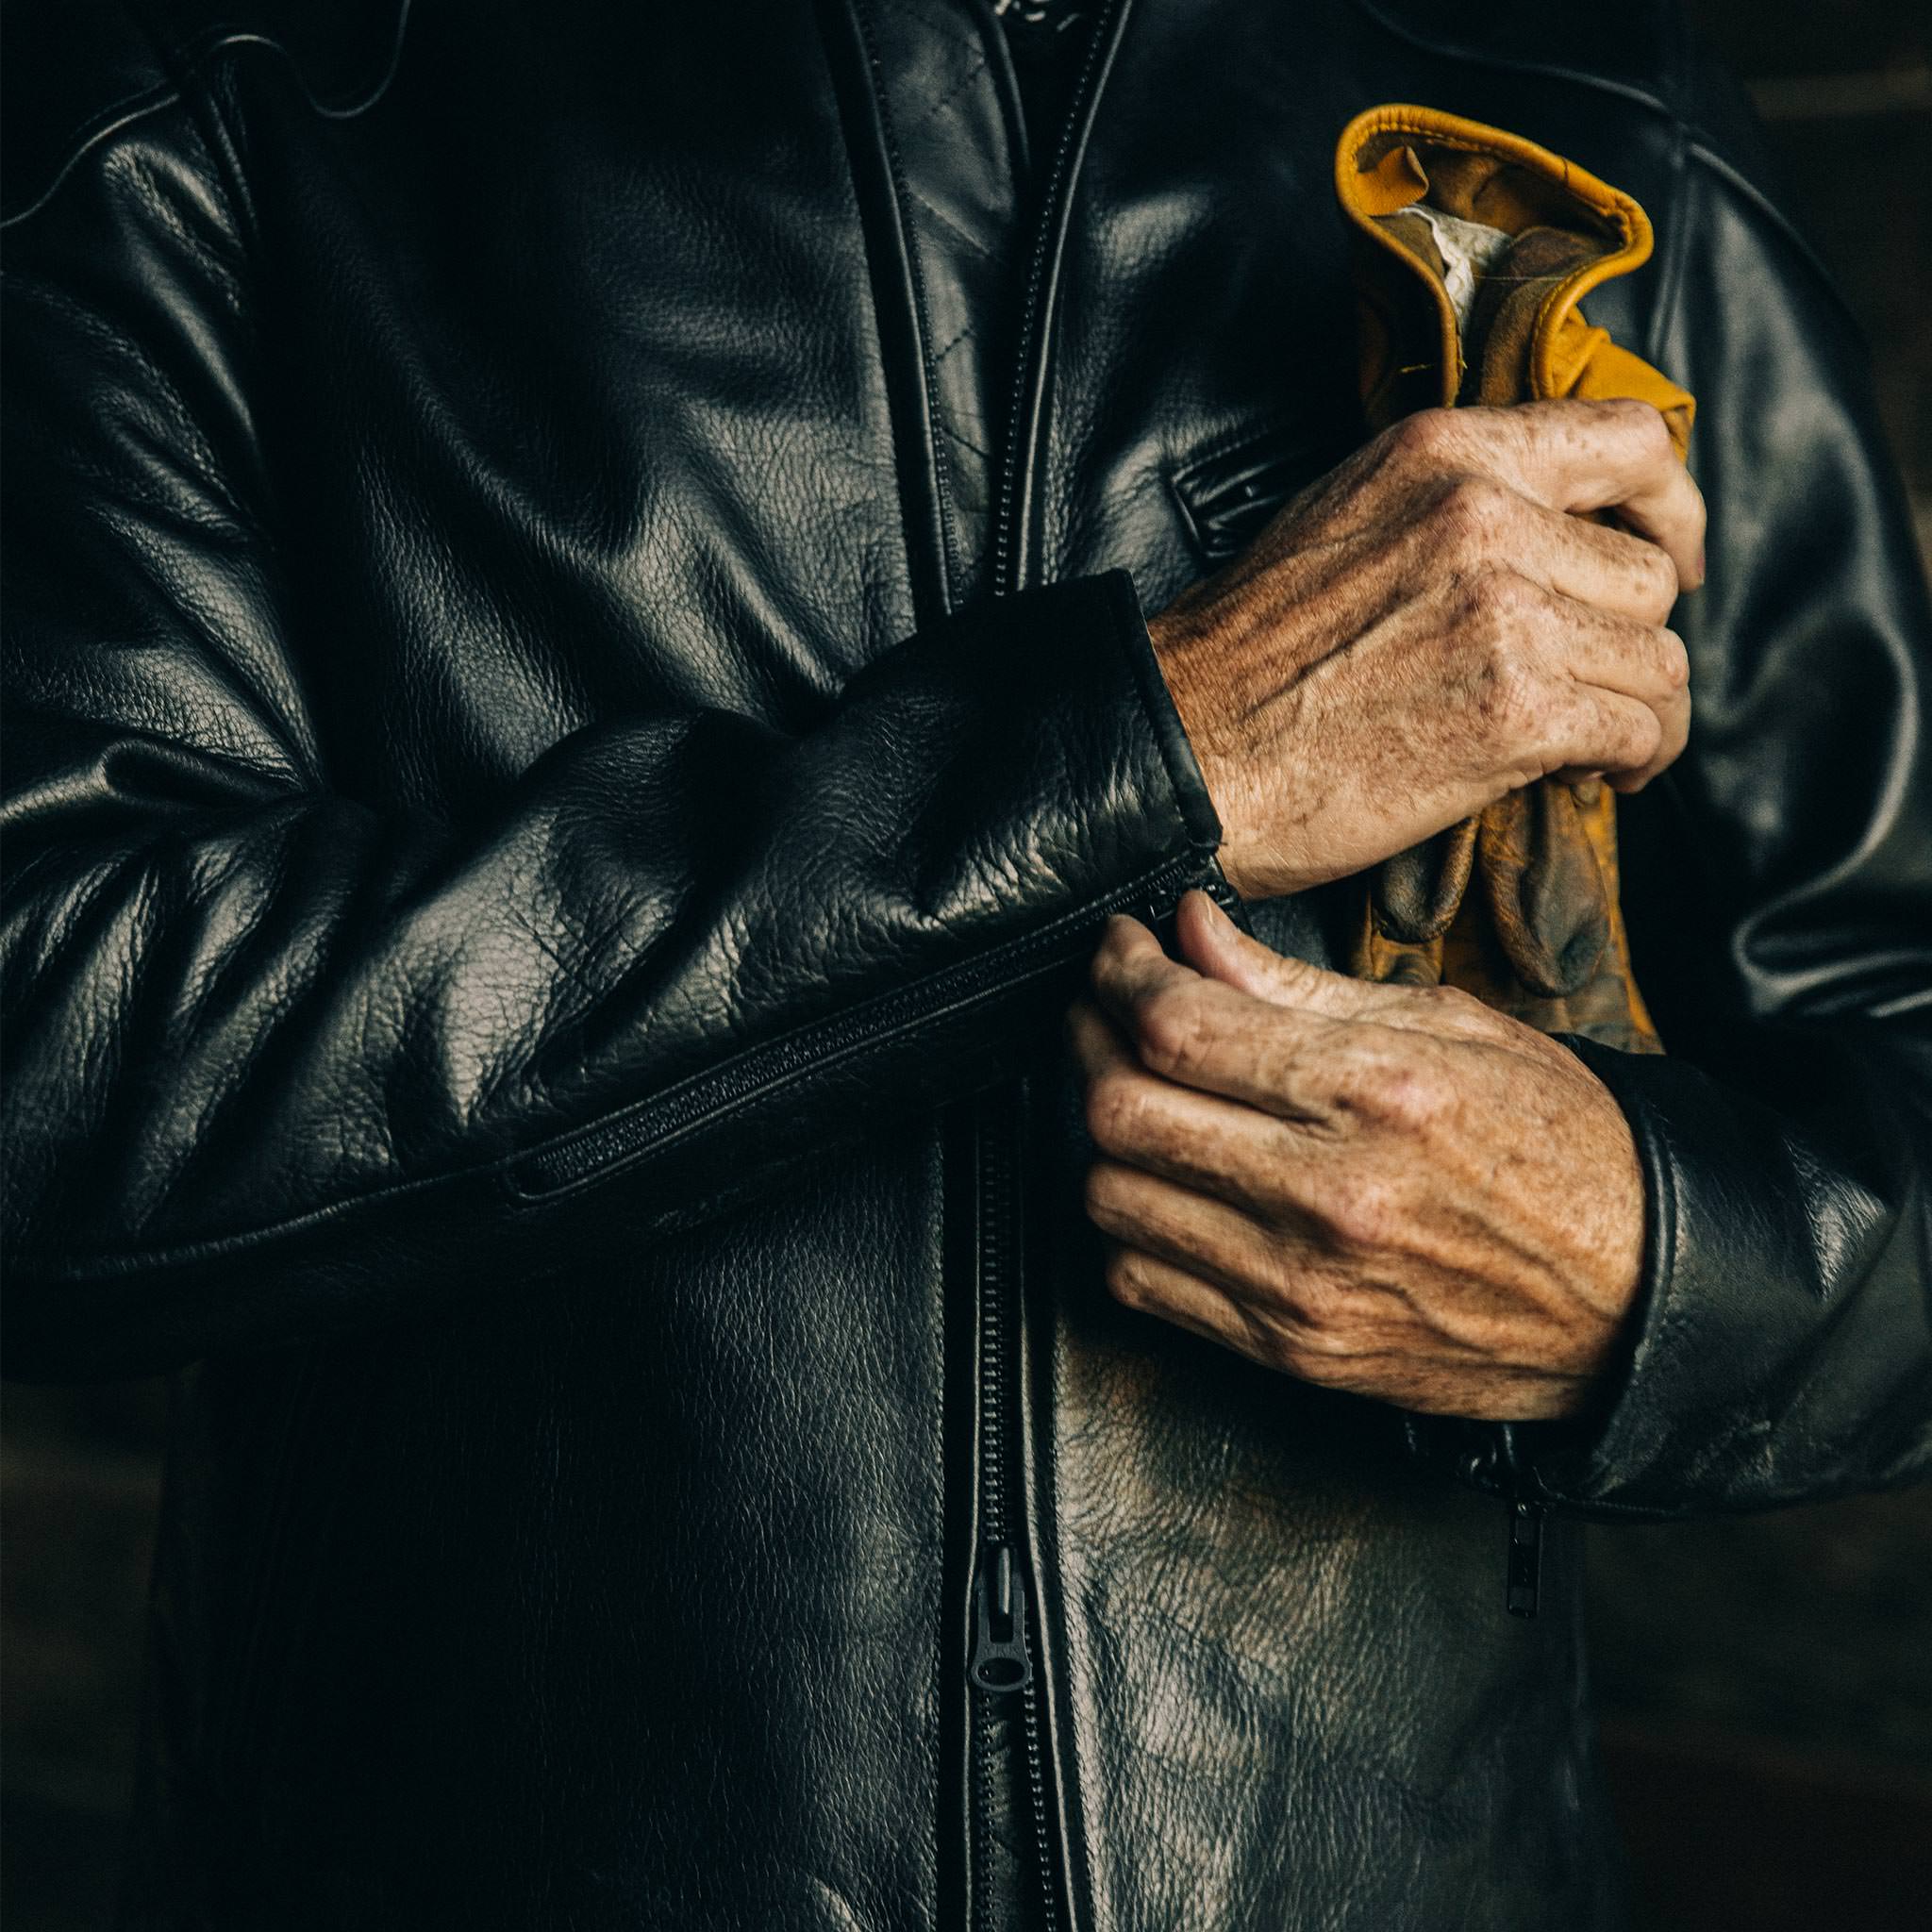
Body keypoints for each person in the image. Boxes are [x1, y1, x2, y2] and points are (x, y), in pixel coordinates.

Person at [3, 1, 1927, 1925]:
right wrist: (1150, 759)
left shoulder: (1584, 93)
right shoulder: (231, 77)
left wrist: (1647, 1259)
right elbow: (53, 1070)